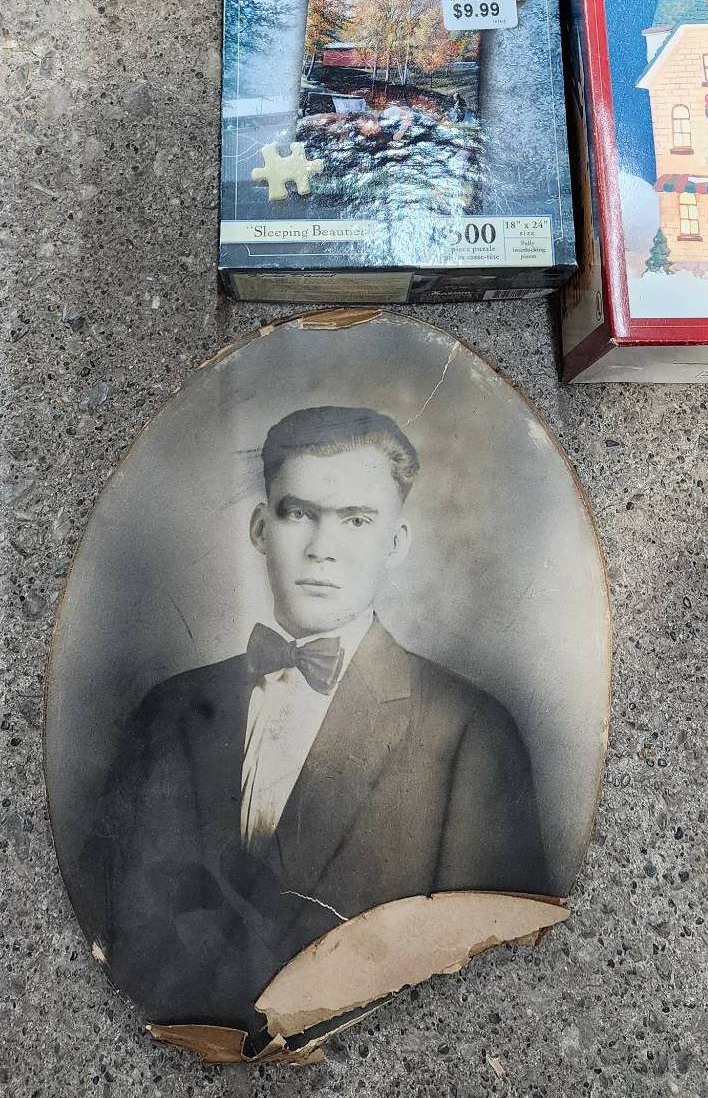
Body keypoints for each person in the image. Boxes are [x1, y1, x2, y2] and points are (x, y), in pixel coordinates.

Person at [86, 407, 547, 1026]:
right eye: (298, 513)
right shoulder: (166, 711)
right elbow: (109, 926)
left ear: (395, 543)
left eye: (356, 520)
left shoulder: (469, 734)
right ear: (260, 528)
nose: (322, 550)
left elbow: (489, 983)